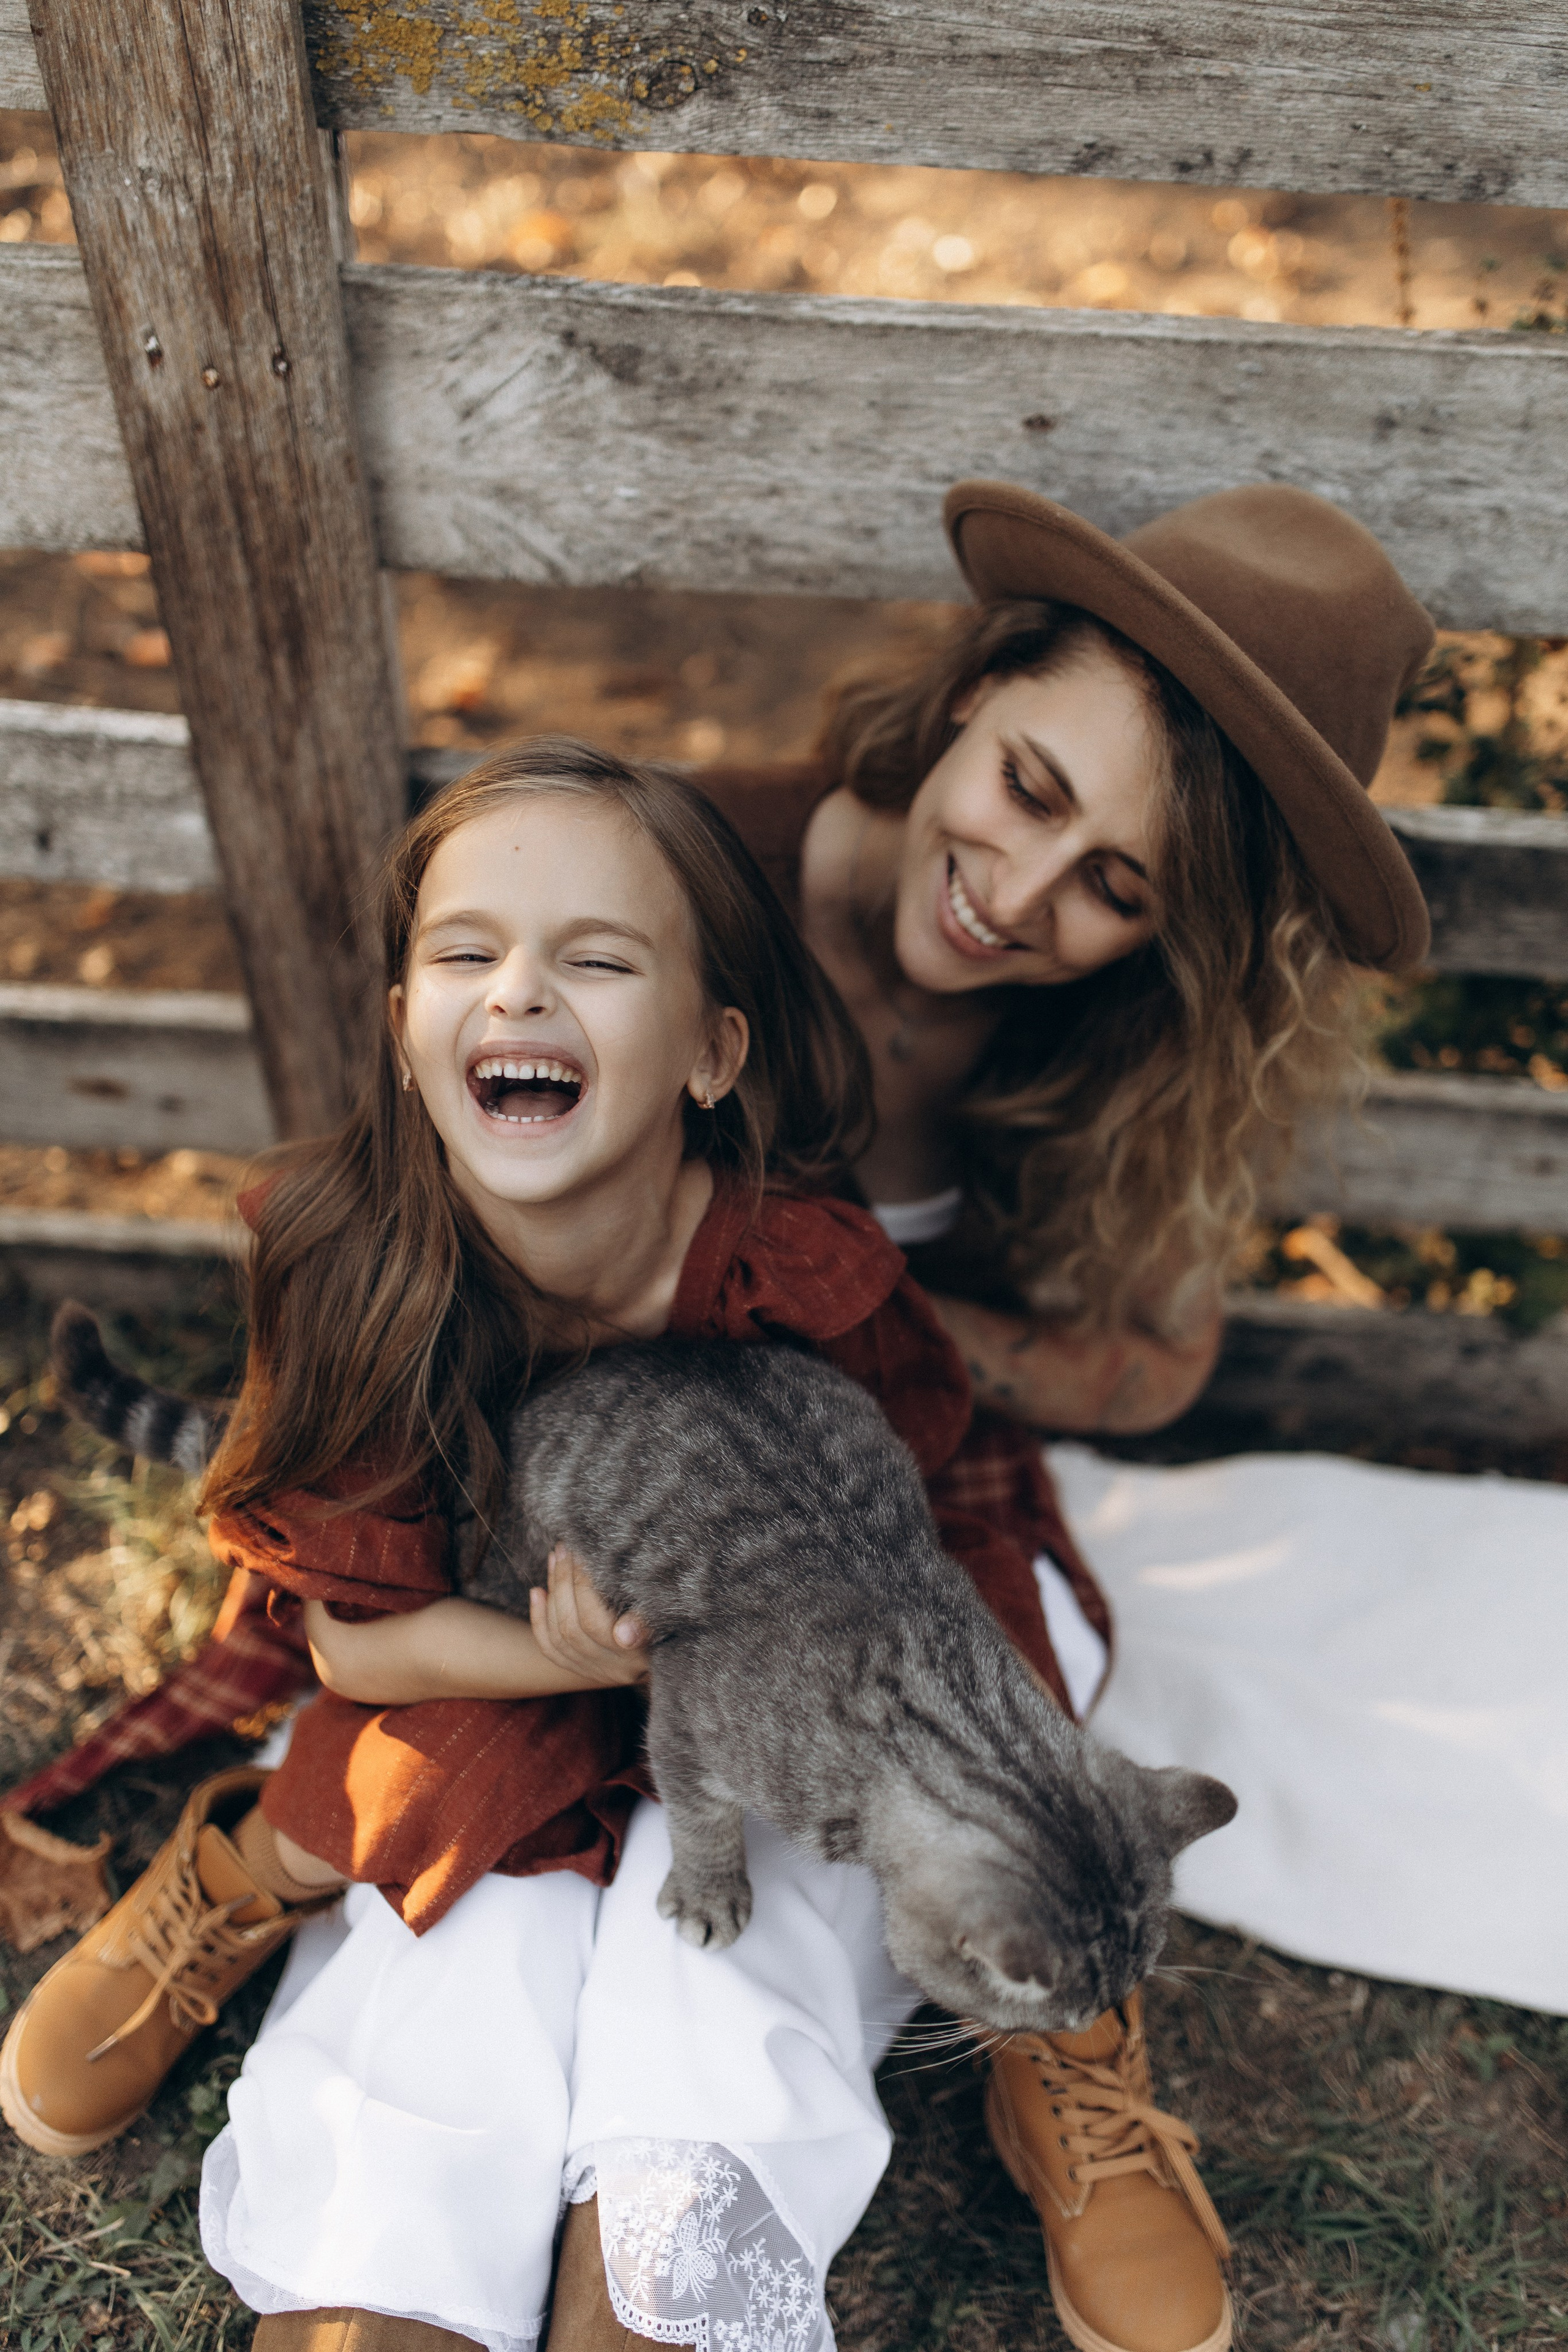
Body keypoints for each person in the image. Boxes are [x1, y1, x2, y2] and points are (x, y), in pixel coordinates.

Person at [2, 741, 1109, 2352]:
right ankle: (241, 1871)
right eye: (467, 955)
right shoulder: (361, 1273)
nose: (520, 990)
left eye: (594, 960)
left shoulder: (808, 1280)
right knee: (438, 1773)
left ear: (712, 1053)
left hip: (742, 1654)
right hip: (477, 1626)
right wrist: (560, 1655)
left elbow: (900, 1527)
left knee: (870, 1802)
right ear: (405, 1032)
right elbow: (354, 1647)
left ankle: (1050, 2028)